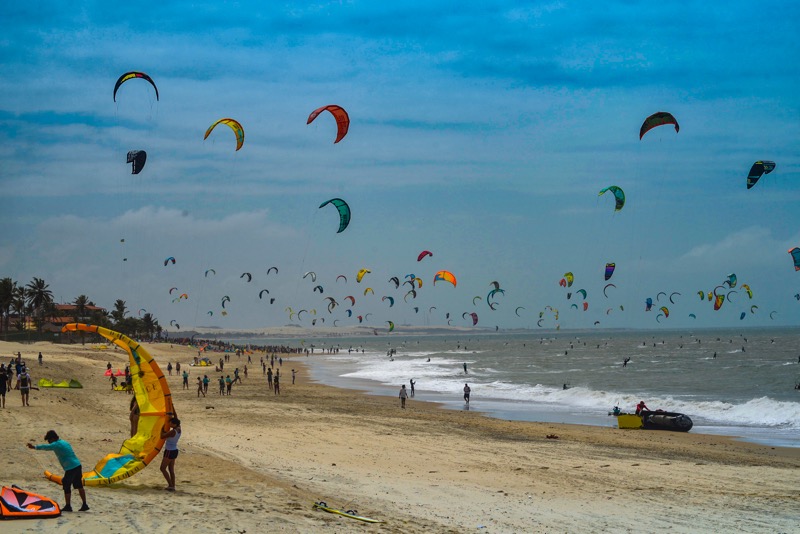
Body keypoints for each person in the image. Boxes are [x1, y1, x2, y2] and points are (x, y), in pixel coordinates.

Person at [27, 431, 89, 511]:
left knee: (66, 485)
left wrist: (34, 447)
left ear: (52, 438)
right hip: (77, 465)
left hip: (71, 468)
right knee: (79, 486)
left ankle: (68, 506)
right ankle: (84, 504)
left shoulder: (56, 444)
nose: (49, 442)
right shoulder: (64, 442)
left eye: (49, 440)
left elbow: (45, 447)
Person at [160, 418, 181, 491]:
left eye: (171, 423)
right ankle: (173, 486)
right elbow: (176, 418)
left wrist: (161, 428)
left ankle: (170, 485)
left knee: (162, 468)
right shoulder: (179, 429)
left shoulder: (172, 432)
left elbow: (162, 436)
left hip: (169, 451)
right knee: (171, 469)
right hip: (174, 450)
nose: (170, 424)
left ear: (175, 424)